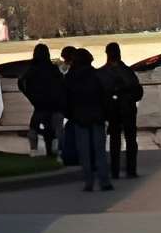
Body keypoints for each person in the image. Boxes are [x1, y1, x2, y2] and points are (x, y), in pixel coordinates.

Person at [60, 46, 112, 193]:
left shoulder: (70, 78)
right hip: (97, 116)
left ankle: (88, 182)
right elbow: (105, 97)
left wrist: (70, 115)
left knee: (84, 152)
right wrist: (106, 114)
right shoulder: (98, 76)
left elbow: (66, 100)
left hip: (79, 117)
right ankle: (104, 181)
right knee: (99, 151)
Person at [102, 43, 144, 180]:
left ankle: (115, 171)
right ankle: (131, 170)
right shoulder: (127, 71)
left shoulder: (103, 73)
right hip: (127, 109)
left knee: (115, 141)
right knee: (130, 140)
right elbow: (138, 92)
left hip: (113, 111)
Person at [17, 44, 62, 157]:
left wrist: (29, 96)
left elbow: (21, 81)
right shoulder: (53, 68)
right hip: (53, 102)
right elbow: (61, 83)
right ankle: (54, 149)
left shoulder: (32, 69)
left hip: (39, 103)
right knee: (53, 127)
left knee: (34, 127)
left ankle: (34, 150)